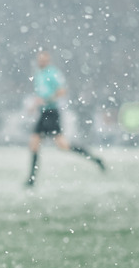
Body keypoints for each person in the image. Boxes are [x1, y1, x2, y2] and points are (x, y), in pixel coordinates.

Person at [25, 50, 105, 186]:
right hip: (43, 113)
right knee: (34, 144)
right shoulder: (38, 74)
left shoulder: (53, 73)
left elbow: (62, 91)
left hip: (52, 112)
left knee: (63, 145)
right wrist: (34, 105)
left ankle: (96, 160)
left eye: (44, 60)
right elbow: (40, 96)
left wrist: (48, 99)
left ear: (48, 60)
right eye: (40, 60)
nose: (41, 62)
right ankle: (31, 179)